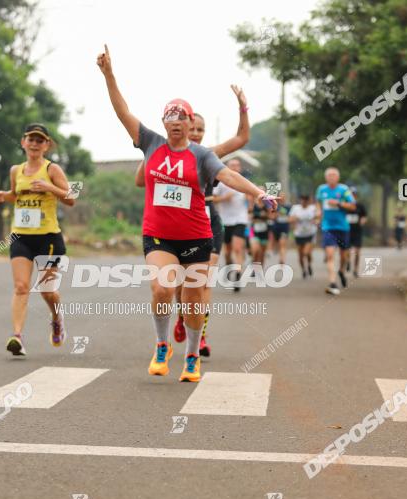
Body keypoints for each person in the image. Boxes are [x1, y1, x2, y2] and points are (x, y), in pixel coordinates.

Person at [96, 45, 276, 382]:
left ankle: (192, 353)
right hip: (159, 235)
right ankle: (162, 345)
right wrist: (109, 74)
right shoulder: (150, 143)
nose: (176, 124)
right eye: (171, 119)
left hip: (196, 237)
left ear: (190, 122)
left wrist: (258, 192)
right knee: (163, 289)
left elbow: (229, 176)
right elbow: (122, 112)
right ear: (164, 122)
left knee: (193, 301)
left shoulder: (203, 155)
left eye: (182, 119)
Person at [136, 87, 251, 358]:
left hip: (208, 220)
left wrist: (242, 108)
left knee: (202, 284)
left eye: (201, 129)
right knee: (173, 285)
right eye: (194, 128)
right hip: (172, 225)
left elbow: (243, 137)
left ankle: (200, 337)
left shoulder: (209, 154)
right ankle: (180, 319)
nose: (197, 133)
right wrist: (148, 158)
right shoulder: (163, 151)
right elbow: (140, 181)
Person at [0, 123, 75, 357]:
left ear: (47, 145)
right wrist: (2, 196)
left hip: (48, 238)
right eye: (31, 140)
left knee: (47, 291)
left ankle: (57, 318)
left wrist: (49, 187)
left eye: (40, 141)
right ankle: (17, 336)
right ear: (23, 142)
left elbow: (70, 198)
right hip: (21, 236)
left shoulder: (52, 169)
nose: (35, 144)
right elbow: (15, 196)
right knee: (20, 287)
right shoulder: (16, 170)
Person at [316, 167, 356, 296]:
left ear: (338, 177)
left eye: (334, 175)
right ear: (326, 177)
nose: (331, 177)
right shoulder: (321, 189)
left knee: (344, 256)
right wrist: (318, 212)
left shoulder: (344, 190)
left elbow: (352, 206)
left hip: (342, 227)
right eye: (329, 175)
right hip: (328, 227)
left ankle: (342, 271)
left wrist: (338, 204)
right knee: (330, 255)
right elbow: (318, 203)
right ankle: (332, 282)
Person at [214, 158, 250, 292]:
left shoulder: (245, 183)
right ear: (227, 167)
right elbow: (213, 199)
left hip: (240, 220)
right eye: (232, 165)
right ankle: (230, 266)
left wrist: (251, 199)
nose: (235, 167)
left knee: (238, 248)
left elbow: (252, 198)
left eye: (237, 165)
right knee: (228, 252)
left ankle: (238, 275)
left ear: (240, 168)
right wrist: (225, 198)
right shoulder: (221, 183)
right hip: (224, 221)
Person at [289, 194, 319, 279]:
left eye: (305, 200)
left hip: (310, 233)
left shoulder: (312, 208)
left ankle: (309, 264)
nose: (303, 202)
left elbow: (318, 217)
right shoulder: (295, 208)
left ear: (308, 201)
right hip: (299, 234)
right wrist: (295, 219)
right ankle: (303, 270)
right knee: (300, 255)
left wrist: (316, 220)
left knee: (307, 253)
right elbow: (290, 219)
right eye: (302, 200)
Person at [345, 187, 367, 277]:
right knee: (347, 251)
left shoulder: (360, 206)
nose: (352, 196)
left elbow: (364, 216)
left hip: (357, 231)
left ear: (356, 195)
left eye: (353, 194)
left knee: (357, 252)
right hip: (347, 231)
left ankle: (356, 269)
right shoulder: (345, 205)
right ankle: (348, 261)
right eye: (350, 194)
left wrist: (363, 221)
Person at [249, 195, 272, 267]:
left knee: (262, 253)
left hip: (264, 232)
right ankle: (254, 265)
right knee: (256, 251)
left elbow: (272, 217)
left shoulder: (267, 206)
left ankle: (260, 269)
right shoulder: (253, 205)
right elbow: (249, 216)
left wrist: (266, 215)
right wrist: (259, 217)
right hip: (254, 231)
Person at [269, 192, 290, 265]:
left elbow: (291, 217)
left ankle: (282, 259)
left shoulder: (288, 207)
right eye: (281, 197)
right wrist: (276, 215)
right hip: (276, 227)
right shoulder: (275, 206)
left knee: (282, 243)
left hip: (285, 228)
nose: (282, 198)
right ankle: (276, 249)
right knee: (278, 244)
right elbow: (271, 216)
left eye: (283, 197)